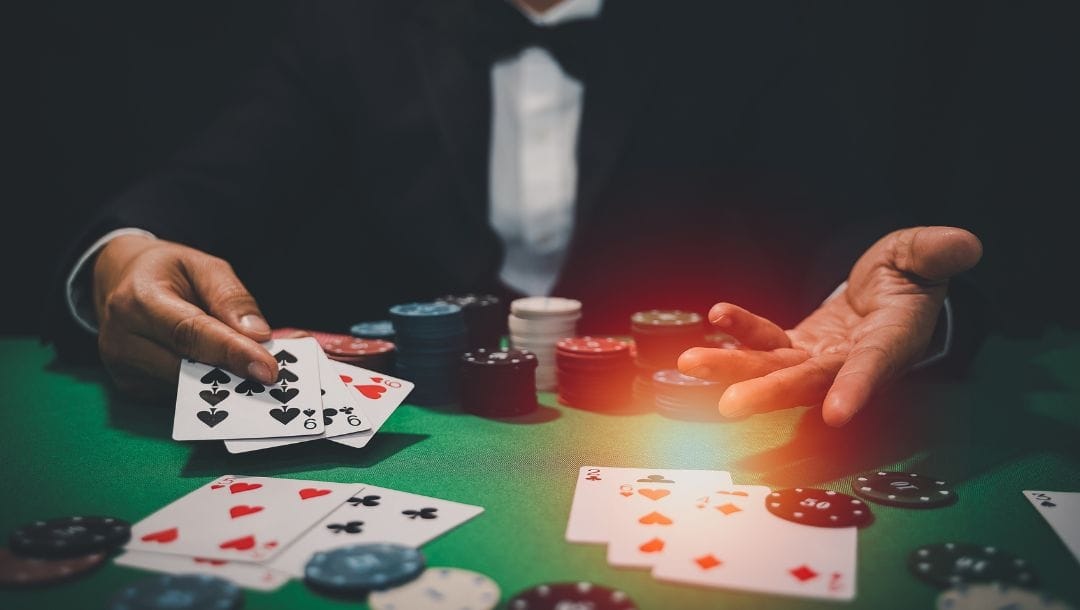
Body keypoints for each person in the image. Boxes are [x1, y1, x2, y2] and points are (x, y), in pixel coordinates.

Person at [45, 0, 982, 426]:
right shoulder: (350, 24)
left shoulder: (733, 24)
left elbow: (851, 221)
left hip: (663, 404)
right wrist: (121, 262)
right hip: (432, 423)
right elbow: (201, 186)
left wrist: (892, 289)